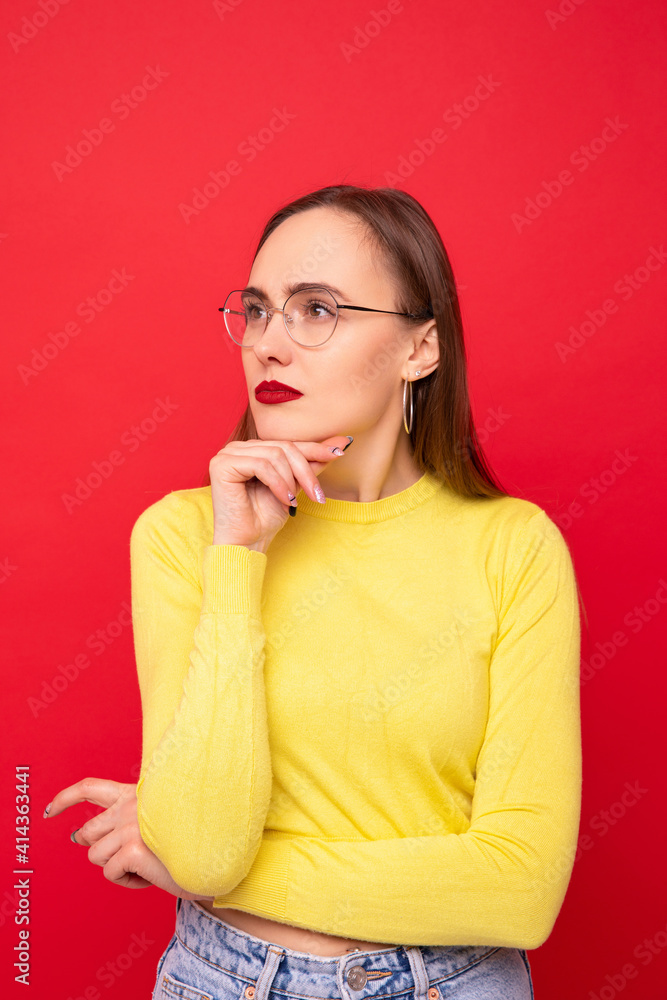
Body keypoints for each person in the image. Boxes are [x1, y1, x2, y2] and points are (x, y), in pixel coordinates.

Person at [45, 184, 584, 999]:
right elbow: (205, 850)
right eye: (257, 310)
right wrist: (238, 559)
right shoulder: (185, 536)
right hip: (222, 981)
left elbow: (519, 889)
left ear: (420, 348)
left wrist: (211, 870)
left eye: (317, 310)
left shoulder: (512, 547)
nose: (267, 344)